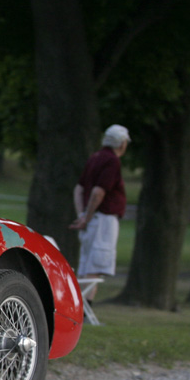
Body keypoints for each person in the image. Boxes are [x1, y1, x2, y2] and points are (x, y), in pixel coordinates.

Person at [70, 124, 131, 301]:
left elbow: (79, 189)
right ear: (121, 144)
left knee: (86, 264)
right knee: (94, 265)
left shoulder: (95, 158)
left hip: (91, 220)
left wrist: (82, 215)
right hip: (102, 220)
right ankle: (85, 308)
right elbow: (98, 192)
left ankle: (82, 307)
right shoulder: (112, 161)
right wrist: (86, 217)